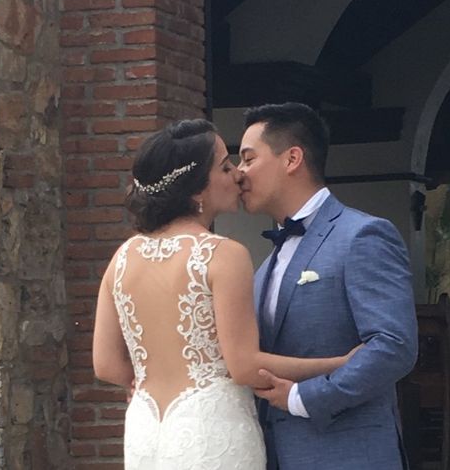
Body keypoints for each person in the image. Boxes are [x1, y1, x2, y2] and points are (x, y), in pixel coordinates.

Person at [92, 119, 356, 469]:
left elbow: (106, 365)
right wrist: (336, 364)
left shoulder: (123, 258)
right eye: (226, 166)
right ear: (197, 189)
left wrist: (148, 381)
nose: (237, 175)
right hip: (210, 431)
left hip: (146, 429)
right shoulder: (222, 254)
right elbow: (245, 367)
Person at [238, 102, 417, 469]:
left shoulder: (363, 235)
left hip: (347, 453)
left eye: (248, 159)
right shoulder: (266, 262)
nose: (239, 173)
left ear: (292, 159)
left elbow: (394, 346)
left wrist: (304, 397)